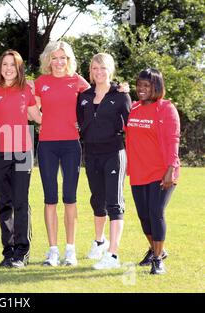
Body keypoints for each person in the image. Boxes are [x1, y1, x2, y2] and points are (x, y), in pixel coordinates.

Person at [0, 50, 41, 268]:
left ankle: (21, 251)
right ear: (0, 67)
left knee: (20, 202)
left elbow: (38, 117)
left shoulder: (26, 91)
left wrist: (67, 119)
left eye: (13, 65)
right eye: (5, 64)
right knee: (4, 203)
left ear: (19, 69)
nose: (8, 68)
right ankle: (8, 251)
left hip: (22, 152)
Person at [34, 41, 90, 267]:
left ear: (69, 60)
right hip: (47, 145)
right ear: (48, 60)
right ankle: (53, 250)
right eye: (54, 58)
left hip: (71, 145)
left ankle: (70, 250)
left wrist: (120, 90)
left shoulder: (77, 80)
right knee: (50, 198)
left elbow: (98, 96)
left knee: (70, 197)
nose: (59, 62)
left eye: (63, 58)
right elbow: (31, 108)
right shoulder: (40, 82)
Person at [76, 53, 131, 269]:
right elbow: (80, 123)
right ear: (90, 71)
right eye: (95, 68)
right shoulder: (84, 96)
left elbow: (131, 125)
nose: (99, 72)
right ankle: (99, 242)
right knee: (97, 200)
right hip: (91, 154)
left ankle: (113, 255)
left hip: (114, 153)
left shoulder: (120, 95)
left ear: (111, 70)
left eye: (103, 68)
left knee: (114, 202)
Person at [126, 69, 180, 274]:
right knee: (144, 216)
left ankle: (158, 260)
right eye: (139, 84)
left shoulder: (166, 108)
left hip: (161, 172)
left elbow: (173, 139)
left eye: (146, 85)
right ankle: (156, 249)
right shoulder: (134, 108)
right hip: (139, 171)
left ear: (156, 87)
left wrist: (170, 170)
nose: (141, 89)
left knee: (156, 213)